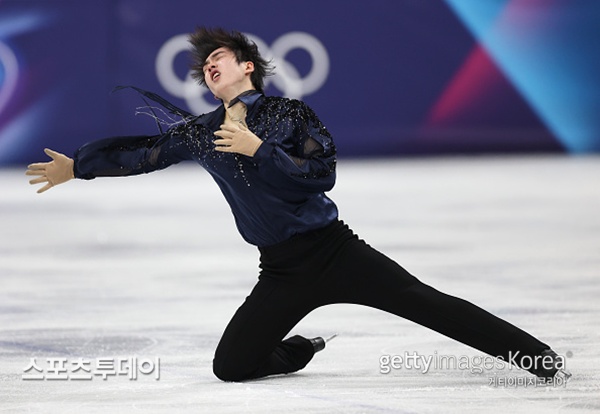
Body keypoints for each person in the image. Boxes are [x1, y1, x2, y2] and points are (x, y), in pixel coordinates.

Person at [26, 27, 570, 383]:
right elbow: (145, 153)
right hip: (281, 271)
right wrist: (79, 166)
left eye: (219, 57)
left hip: (337, 252)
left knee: (431, 305)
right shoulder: (201, 133)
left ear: (248, 67)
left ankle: (540, 359)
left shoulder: (287, 115)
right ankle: (303, 348)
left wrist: (259, 149)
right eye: (205, 65)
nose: (210, 66)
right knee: (231, 367)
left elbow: (321, 173)